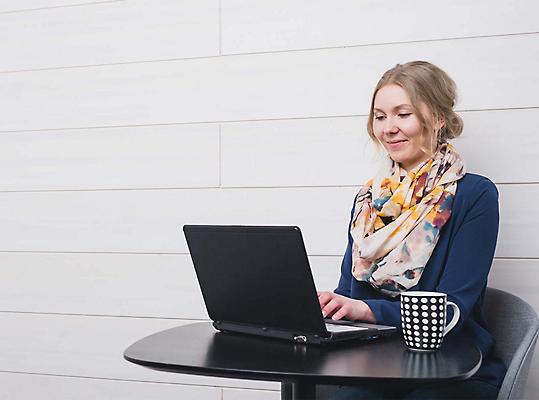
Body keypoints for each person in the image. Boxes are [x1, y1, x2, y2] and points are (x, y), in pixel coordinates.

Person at [317, 61, 506, 400]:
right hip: (374, 364)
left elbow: (452, 309)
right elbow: (350, 291)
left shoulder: (474, 196)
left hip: (450, 369)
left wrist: (368, 310)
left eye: (402, 114)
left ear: (437, 118)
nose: (389, 128)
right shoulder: (367, 201)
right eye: (380, 116)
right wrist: (331, 308)